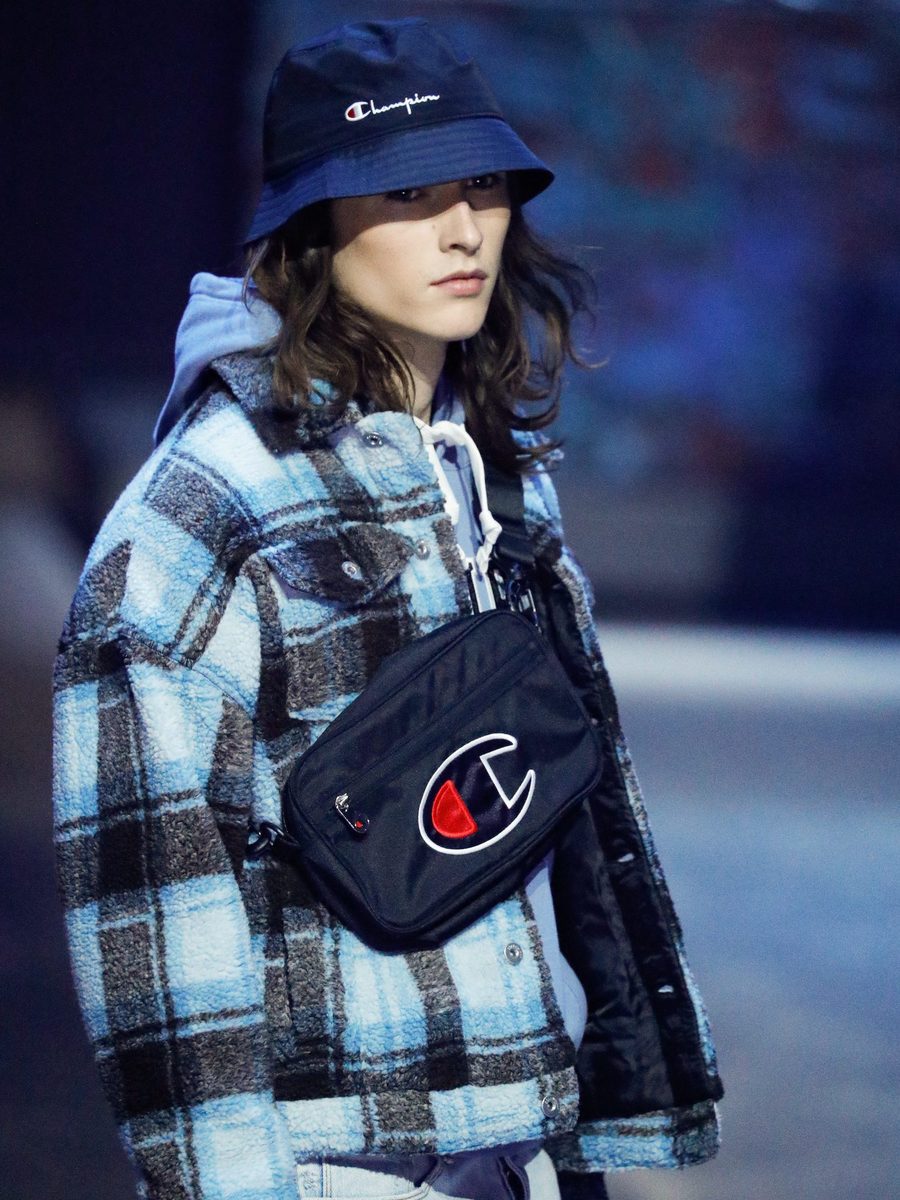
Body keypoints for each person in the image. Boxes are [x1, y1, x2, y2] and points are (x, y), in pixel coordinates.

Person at [53, 19, 723, 1200]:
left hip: (520, 1139)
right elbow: (153, 902)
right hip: (340, 1160)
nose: (463, 229)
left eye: (482, 185)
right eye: (407, 193)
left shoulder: (497, 476)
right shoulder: (204, 512)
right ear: (311, 227)